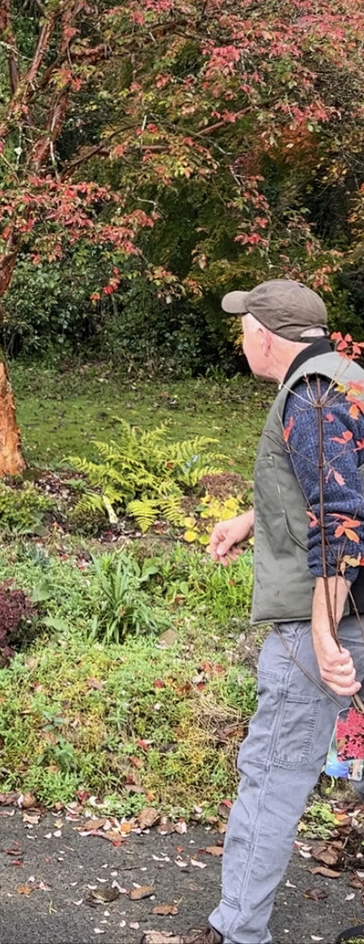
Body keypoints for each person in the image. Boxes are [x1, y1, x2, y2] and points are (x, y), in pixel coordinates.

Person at [142, 279, 364, 944]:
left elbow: (340, 517)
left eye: (245, 327)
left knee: (272, 775)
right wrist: (251, 518)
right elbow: (340, 479)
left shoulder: (312, 396)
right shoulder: (348, 379)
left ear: (268, 337)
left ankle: (237, 933)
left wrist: (324, 630)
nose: (241, 338)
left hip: (329, 614)